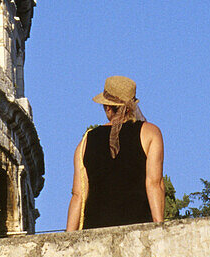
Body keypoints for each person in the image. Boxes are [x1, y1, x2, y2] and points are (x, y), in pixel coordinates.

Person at [66, 75, 165, 231]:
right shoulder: (151, 133)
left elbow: (78, 195)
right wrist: (159, 228)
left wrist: (68, 239)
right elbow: (154, 184)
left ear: (108, 107)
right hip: (138, 231)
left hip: (94, 236)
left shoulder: (86, 141)